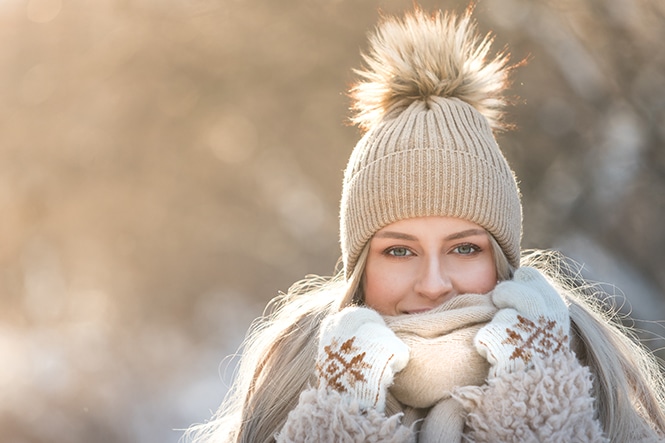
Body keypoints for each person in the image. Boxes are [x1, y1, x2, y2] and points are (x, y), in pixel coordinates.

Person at [185, 6, 665, 443]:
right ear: (360, 269)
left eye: (464, 249)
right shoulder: (280, 407)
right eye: (398, 251)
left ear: (502, 260)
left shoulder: (603, 402)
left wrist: (538, 403)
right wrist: (341, 415)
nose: (433, 285)